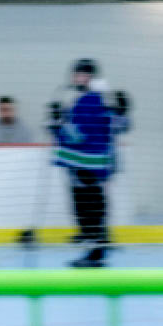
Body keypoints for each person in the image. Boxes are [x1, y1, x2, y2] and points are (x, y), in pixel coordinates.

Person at [49, 58, 131, 268]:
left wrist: (57, 124)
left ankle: (96, 247)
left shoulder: (93, 100)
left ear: (90, 77)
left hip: (89, 162)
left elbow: (78, 135)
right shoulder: (90, 100)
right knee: (90, 201)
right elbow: (119, 125)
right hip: (88, 162)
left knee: (89, 203)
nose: (76, 78)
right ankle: (95, 241)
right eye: (76, 74)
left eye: (81, 74)